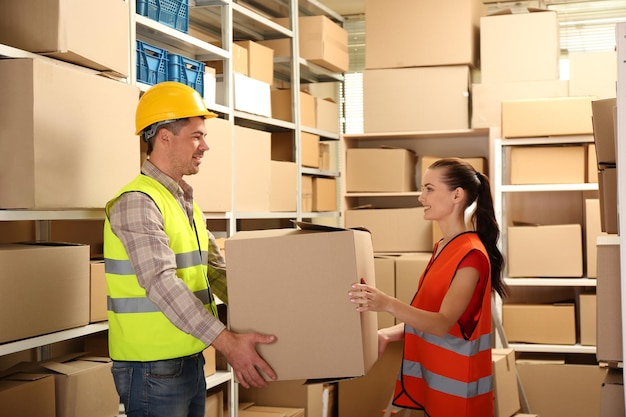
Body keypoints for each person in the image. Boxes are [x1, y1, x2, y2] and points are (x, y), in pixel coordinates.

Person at [103, 81, 277, 417]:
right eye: (197, 135)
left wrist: (275, 311)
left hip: (189, 356)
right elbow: (161, 282)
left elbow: (215, 271)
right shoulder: (138, 202)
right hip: (152, 367)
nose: (205, 146)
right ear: (165, 136)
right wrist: (227, 342)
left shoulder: (182, 200)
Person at [348, 157, 507, 417]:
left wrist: (386, 303)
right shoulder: (444, 247)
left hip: (461, 400)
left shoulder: (471, 256)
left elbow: (441, 323)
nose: (421, 197)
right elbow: (428, 316)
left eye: (429, 189)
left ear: (457, 195)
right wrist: (388, 334)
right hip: (435, 389)